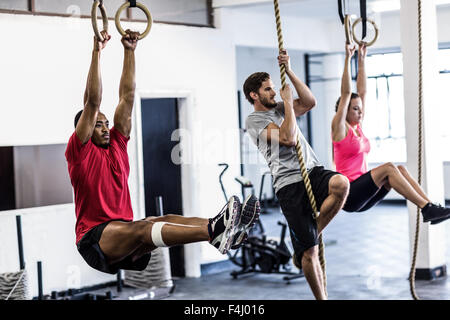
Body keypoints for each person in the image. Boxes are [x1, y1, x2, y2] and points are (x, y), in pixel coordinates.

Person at [65, 30, 260, 275]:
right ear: (83, 129)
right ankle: (214, 232)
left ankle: (222, 229)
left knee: (158, 219)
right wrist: (97, 52)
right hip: (94, 239)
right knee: (142, 229)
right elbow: (92, 102)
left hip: (121, 231)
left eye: (106, 123)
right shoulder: (79, 152)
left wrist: (129, 51)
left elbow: (127, 97)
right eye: (98, 124)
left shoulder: (117, 144)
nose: (105, 128)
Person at [244, 50, 350, 300]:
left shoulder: (282, 107)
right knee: (310, 254)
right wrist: (288, 104)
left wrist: (289, 69)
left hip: (311, 171)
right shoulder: (254, 120)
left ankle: (309, 236)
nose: (273, 93)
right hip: (289, 184)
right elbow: (288, 139)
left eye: (273, 88)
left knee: (341, 184)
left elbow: (310, 101)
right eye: (267, 90)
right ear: (254, 95)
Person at [332, 42, 450, 224]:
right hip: (350, 194)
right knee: (388, 167)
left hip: (365, 196)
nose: (360, 112)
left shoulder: (358, 126)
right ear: (345, 110)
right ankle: (427, 208)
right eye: (355, 109)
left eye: (360, 109)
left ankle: (429, 207)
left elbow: (362, 91)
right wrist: (348, 57)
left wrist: (361, 59)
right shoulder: (340, 127)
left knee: (400, 169)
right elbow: (346, 92)